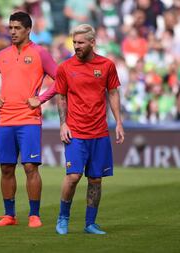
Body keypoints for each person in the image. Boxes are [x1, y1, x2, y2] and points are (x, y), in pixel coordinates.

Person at [0, 11, 57, 228]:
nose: (12, 32)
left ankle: (34, 215)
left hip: (29, 119)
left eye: (17, 28)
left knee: (30, 167)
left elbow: (60, 79)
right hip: (6, 120)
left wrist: (41, 99)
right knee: (6, 168)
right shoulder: (2, 55)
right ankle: (10, 215)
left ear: (28, 30)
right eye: (10, 28)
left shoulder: (40, 53)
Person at [54, 24, 125, 235]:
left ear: (92, 43)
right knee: (73, 176)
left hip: (100, 132)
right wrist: (63, 124)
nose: (76, 46)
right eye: (74, 42)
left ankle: (90, 223)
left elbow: (112, 93)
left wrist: (119, 122)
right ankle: (63, 218)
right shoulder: (65, 67)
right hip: (76, 132)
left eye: (80, 42)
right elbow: (61, 96)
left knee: (95, 179)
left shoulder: (107, 65)